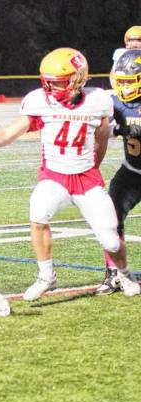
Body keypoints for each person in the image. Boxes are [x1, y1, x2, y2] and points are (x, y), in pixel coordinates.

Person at [0, 47, 139, 300]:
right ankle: (46, 276)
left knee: (110, 239)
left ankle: (124, 273)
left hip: (86, 179)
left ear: (78, 79)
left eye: (59, 82)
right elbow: (8, 134)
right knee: (38, 213)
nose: (52, 89)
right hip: (54, 176)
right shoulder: (39, 102)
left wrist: (94, 165)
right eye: (49, 83)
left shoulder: (98, 101)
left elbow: (101, 138)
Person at [97, 49, 141, 296]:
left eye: (129, 82)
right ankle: (113, 272)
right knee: (110, 217)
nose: (124, 87)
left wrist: (125, 130)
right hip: (133, 170)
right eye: (121, 81)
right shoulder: (114, 102)